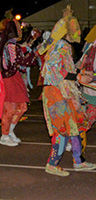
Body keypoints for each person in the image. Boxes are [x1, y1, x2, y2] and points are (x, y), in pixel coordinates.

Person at [39, 5, 96, 176]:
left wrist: (80, 72)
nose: (78, 31)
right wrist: (79, 78)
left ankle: (79, 161)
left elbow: (64, 68)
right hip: (57, 93)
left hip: (62, 92)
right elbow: (57, 72)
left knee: (74, 127)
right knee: (63, 130)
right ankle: (52, 164)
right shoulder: (61, 46)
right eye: (75, 28)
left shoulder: (60, 45)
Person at [0, 19, 36, 146]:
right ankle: (4, 135)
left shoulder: (9, 44)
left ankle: (10, 131)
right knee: (10, 108)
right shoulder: (11, 45)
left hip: (14, 77)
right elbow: (24, 62)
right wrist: (34, 55)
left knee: (22, 107)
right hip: (10, 79)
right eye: (19, 28)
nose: (20, 30)